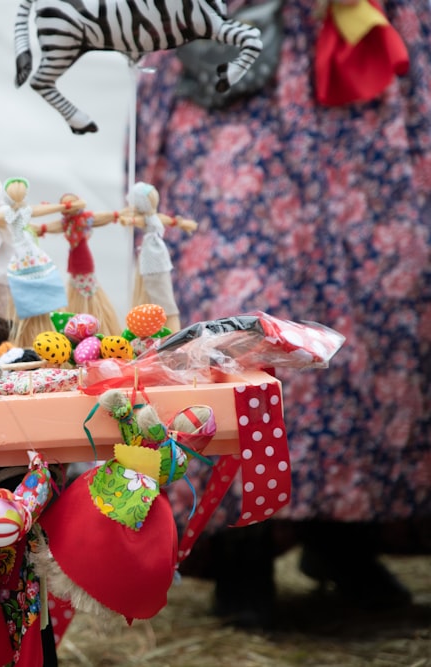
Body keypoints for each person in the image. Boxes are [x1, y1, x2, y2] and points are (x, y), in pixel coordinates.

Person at [132, 0, 430, 628]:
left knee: (367, 299)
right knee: (232, 303)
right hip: (237, 62)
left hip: (351, 61)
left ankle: (343, 533)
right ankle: (241, 543)